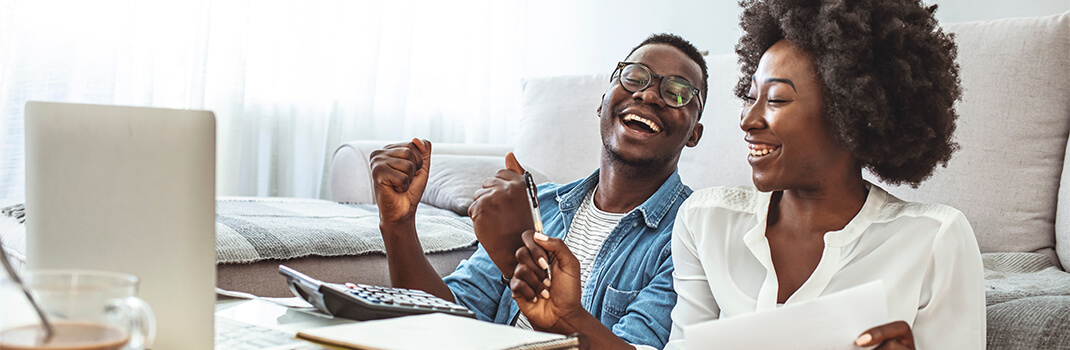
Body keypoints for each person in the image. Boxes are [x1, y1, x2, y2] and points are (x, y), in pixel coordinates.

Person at [513, 0, 985, 349]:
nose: (747, 120)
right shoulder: (707, 221)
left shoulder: (935, 239)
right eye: (751, 96)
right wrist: (570, 315)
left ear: (852, 113)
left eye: (776, 99)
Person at [369, 33, 707, 349]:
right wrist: (398, 225)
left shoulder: (693, 232)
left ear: (694, 134)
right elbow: (444, 322)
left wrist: (555, 307)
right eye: (635, 77)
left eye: (677, 92)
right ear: (603, 102)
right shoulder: (540, 205)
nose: (648, 94)